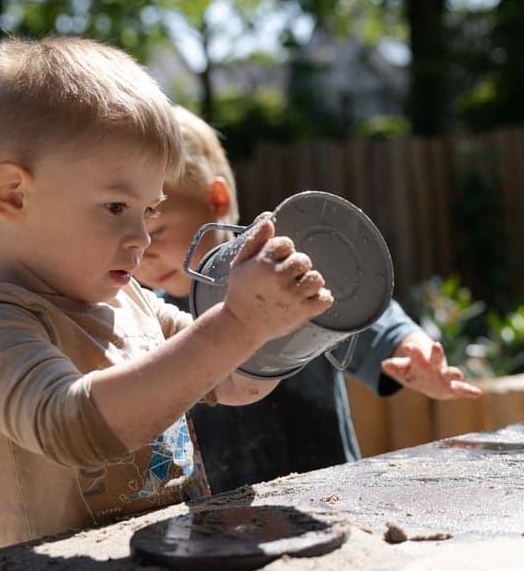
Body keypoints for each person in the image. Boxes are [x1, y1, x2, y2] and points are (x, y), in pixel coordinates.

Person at [0, 35, 334, 550]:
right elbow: (72, 428)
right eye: (117, 208)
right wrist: (237, 323)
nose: (142, 238)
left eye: (150, 212)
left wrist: (276, 326)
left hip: (168, 569)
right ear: (13, 193)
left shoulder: (134, 306)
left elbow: (236, 384)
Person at [134, 106, 481, 492]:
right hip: (216, 518)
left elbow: (370, 319)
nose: (144, 252)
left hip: (327, 494)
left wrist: (413, 351)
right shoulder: (149, 324)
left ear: (216, 199)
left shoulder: (290, 278)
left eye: (159, 230)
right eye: (133, 236)